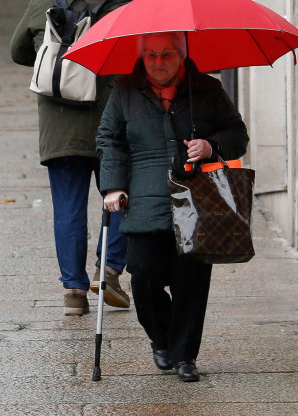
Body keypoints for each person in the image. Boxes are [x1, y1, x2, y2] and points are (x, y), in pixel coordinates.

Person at [96, 31, 248, 382]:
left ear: (181, 56)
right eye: (150, 55)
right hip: (144, 195)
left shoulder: (207, 89)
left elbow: (237, 134)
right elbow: (109, 140)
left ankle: (184, 357)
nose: (158, 62)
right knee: (144, 275)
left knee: (191, 281)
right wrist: (113, 186)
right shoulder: (124, 92)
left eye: (166, 54)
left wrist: (211, 146)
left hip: (198, 198)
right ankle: (161, 339)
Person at [10, 0, 131, 316]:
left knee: (68, 208)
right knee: (122, 197)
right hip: (113, 120)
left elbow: (17, 51)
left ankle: (73, 292)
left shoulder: (45, 3)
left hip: (60, 124)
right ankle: (109, 270)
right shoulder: (124, 5)